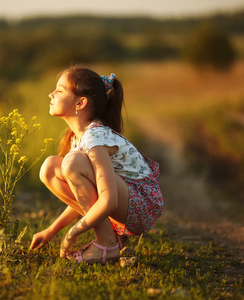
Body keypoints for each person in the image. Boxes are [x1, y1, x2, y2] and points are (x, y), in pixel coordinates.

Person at [29, 66, 163, 264]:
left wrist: (73, 231)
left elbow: (109, 201)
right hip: (126, 202)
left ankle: (107, 244)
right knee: (50, 167)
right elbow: (86, 195)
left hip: (142, 204)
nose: (51, 94)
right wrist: (52, 230)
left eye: (59, 90)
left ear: (80, 102)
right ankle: (110, 237)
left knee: (71, 163)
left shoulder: (95, 137)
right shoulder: (78, 138)